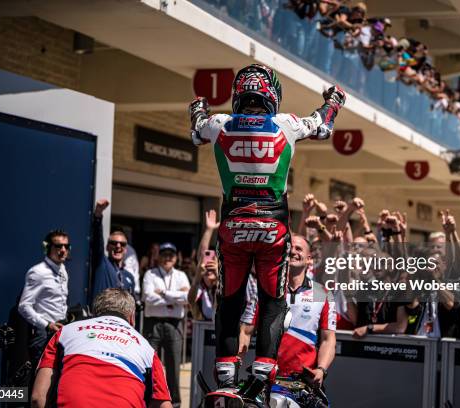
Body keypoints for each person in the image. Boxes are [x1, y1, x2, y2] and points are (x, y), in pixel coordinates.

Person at [189, 63, 345, 390]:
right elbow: (322, 125)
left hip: (233, 226)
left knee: (230, 300)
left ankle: (226, 372)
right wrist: (334, 100)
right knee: (273, 301)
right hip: (273, 226)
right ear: (272, 93)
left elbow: (196, 129)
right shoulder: (285, 123)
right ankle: (264, 369)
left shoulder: (220, 123)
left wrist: (198, 107)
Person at [31, 288, 172, 408]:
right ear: (132, 318)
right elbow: (164, 404)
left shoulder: (65, 332)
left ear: (94, 312)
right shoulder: (146, 348)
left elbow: (38, 398)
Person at [239, 235, 336, 406]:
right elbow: (246, 332)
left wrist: (321, 369)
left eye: (299, 249)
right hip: (266, 378)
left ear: (309, 260)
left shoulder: (323, 293)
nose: (292, 251)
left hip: (302, 382)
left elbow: (328, 339)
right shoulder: (264, 289)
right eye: (289, 247)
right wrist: (236, 359)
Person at [142, 242, 189, 407]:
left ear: (176, 258)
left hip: (174, 325)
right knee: (149, 364)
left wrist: (163, 293)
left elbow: (187, 298)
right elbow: (148, 298)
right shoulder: (150, 274)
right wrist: (175, 298)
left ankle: (174, 403)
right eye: (164, 254)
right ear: (158, 257)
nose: (167, 258)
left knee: (174, 366)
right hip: (153, 323)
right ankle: (148, 400)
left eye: (171, 255)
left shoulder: (181, 275)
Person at [18, 230, 69, 369]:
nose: (63, 250)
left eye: (66, 246)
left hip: (59, 331)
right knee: (40, 379)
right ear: (47, 248)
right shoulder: (38, 272)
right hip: (44, 334)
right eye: (58, 246)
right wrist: (47, 325)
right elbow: (23, 306)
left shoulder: (62, 269)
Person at [91, 199, 136, 300]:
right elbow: (97, 240)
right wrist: (98, 214)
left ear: (126, 250)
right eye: (114, 243)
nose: (118, 246)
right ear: (107, 247)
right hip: (102, 314)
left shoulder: (129, 276)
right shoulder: (102, 263)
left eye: (122, 244)